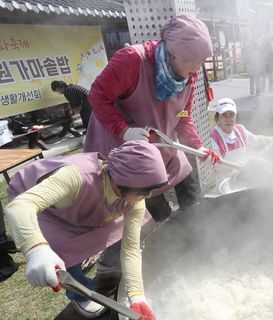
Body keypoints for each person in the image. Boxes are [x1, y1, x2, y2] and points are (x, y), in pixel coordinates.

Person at [5, 141, 167, 320]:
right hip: (44, 208)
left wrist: (137, 296)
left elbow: (130, 249)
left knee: (105, 229)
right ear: (123, 181)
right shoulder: (76, 176)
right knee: (61, 249)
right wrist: (35, 249)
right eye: (144, 191)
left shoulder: (134, 198)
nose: (147, 196)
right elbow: (20, 206)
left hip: (81, 207)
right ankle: (80, 293)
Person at [84, 15, 220, 224]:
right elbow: (97, 96)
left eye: (200, 61)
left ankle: (198, 237)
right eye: (189, 60)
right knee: (155, 208)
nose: (195, 68)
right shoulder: (132, 60)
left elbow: (183, 116)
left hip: (164, 142)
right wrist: (124, 130)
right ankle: (167, 241)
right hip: (129, 147)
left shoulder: (189, 75)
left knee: (191, 192)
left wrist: (198, 146)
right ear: (173, 51)